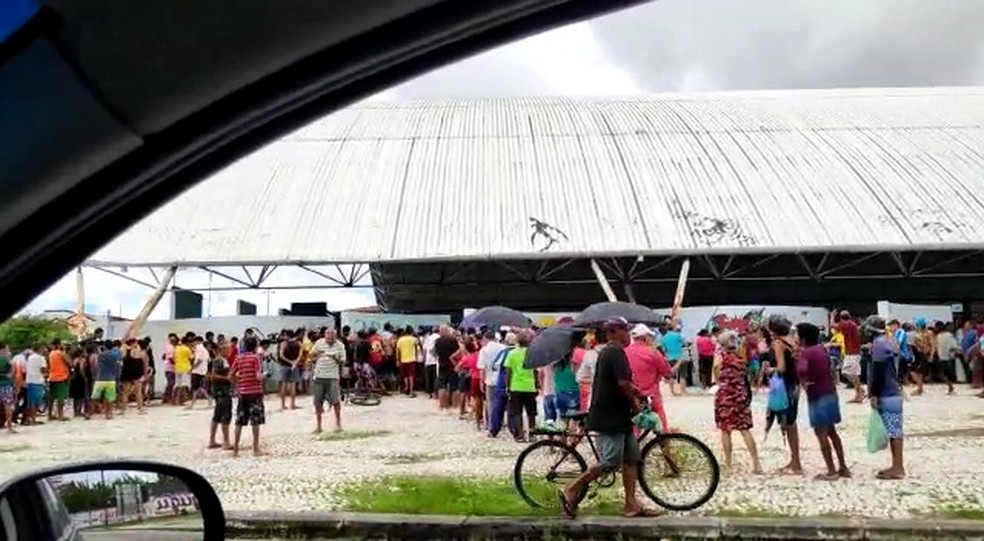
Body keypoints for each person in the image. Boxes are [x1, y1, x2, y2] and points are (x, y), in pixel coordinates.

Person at [559, 317, 659, 519]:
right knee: (611, 461)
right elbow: (623, 383)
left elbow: (623, 383)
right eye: (624, 330)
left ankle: (631, 504)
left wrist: (637, 393)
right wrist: (635, 405)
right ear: (613, 332)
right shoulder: (614, 351)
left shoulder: (609, 352)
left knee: (632, 458)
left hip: (620, 415)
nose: (627, 334)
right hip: (610, 415)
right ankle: (571, 488)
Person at [796, 322, 850, 481]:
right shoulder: (822, 349)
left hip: (816, 394)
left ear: (803, 337)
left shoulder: (805, 353)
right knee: (832, 431)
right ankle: (843, 466)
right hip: (829, 391)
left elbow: (801, 370)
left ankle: (831, 470)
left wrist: (803, 381)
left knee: (821, 433)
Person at [713, 330, 761, 475]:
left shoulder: (720, 358)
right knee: (745, 429)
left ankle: (728, 465)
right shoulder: (741, 359)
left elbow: (716, 377)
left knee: (726, 430)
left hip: (725, 397)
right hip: (740, 396)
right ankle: (756, 463)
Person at [865, 315, 905, 479]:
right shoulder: (891, 341)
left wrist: (874, 393)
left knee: (894, 432)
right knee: (895, 430)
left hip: (886, 393)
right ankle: (897, 465)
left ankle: (898, 468)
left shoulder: (878, 344)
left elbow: (878, 372)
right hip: (894, 390)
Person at [768, 315, 803, 476]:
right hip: (795, 383)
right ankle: (795, 460)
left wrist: (770, 370)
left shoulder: (778, 343)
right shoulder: (792, 340)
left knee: (788, 423)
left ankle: (796, 463)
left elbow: (781, 367)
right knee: (792, 423)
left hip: (786, 385)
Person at [624, 324, 674, 432]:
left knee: (634, 429)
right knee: (661, 425)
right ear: (646, 337)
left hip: (631, 396)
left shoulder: (624, 352)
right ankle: (665, 445)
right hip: (651, 395)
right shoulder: (653, 352)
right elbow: (668, 373)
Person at [231, 336, 266, 457]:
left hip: (243, 392)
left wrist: (237, 384)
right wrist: (264, 375)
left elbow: (232, 373)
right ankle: (255, 449)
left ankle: (235, 449)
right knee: (255, 421)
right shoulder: (256, 358)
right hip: (255, 392)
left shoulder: (239, 358)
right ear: (255, 346)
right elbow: (258, 376)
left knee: (239, 421)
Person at [503, 330, 537, 442]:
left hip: (516, 385)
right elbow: (535, 371)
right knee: (531, 412)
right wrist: (537, 384)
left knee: (517, 412)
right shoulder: (532, 353)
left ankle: (519, 435)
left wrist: (507, 385)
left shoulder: (512, 353)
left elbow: (508, 371)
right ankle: (532, 433)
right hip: (530, 385)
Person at [311, 328, 346, 433]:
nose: (329, 340)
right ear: (325, 336)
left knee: (336, 401)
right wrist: (316, 353)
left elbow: (343, 362)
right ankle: (319, 426)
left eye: (331, 338)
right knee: (317, 402)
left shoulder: (340, 345)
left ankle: (338, 424)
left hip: (333, 377)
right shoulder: (319, 343)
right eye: (327, 338)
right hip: (319, 376)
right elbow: (310, 356)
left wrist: (335, 358)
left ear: (335, 337)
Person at [834, 311, 865, 403]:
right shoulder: (852, 324)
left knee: (846, 372)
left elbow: (835, 327)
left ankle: (859, 390)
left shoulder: (846, 324)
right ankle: (859, 392)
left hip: (852, 352)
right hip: (853, 352)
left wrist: (832, 317)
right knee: (852, 373)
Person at [208, 343, 234, 450]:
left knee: (217, 415)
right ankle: (226, 442)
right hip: (221, 390)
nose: (230, 351)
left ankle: (212, 440)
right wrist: (227, 379)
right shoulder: (219, 360)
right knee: (225, 415)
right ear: (222, 350)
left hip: (220, 390)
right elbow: (213, 376)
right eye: (228, 349)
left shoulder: (222, 360)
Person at [433, 326, 462, 410]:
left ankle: (443, 405)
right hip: (452, 364)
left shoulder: (437, 341)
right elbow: (458, 352)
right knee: (454, 386)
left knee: (442, 386)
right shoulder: (452, 340)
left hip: (442, 363)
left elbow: (435, 352)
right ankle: (454, 404)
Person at [91, 341, 121, 420]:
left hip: (100, 378)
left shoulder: (100, 355)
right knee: (110, 398)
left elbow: (97, 366)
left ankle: (91, 411)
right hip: (111, 379)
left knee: (94, 396)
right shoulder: (115, 356)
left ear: (104, 346)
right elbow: (118, 366)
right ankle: (109, 413)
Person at [119, 338, 147, 414]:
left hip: (127, 372)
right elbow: (144, 363)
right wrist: (145, 374)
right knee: (138, 392)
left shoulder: (125, 351)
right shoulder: (140, 352)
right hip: (137, 373)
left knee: (126, 392)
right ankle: (140, 408)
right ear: (133, 343)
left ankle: (123, 409)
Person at [22, 344, 47, 426]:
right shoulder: (41, 358)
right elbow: (43, 369)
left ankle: (27, 419)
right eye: (43, 349)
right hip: (38, 381)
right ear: (39, 349)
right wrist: (46, 372)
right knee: (36, 402)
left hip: (29, 381)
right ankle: (33, 420)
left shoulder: (29, 357)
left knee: (30, 402)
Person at [46, 339, 71, 421]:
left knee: (52, 397)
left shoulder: (51, 354)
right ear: (58, 345)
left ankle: (49, 415)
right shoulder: (61, 353)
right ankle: (61, 415)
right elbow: (70, 363)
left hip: (52, 376)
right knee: (61, 398)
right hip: (61, 377)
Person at [277, 333, 301, 410]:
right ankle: (292, 404)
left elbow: (281, 355)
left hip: (284, 365)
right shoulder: (298, 344)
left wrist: (290, 362)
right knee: (293, 386)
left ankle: (283, 405)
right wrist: (294, 363)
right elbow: (300, 355)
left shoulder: (283, 344)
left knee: (283, 385)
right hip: (294, 366)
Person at [187, 335, 211, 409]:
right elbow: (209, 360)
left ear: (197, 341)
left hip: (197, 371)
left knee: (196, 387)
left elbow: (199, 360)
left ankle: (192, 404)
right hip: (203, 370)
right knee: (198, 387)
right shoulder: (205, 349)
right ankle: (208, 399)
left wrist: (192, 368)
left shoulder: (199, 349)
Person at [396, 327, 419, 396]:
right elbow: (417, 348)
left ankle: (406, 388)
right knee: (411, 376)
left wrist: (397, 360)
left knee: (405, 375)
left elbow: (398, 351)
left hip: (403, 360)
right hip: (411, 360)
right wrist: (416, 356)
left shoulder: (400, 339)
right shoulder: (413, 339)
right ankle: (411, 391)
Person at [172, 337, 193, 405]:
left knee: (178, 385)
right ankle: (180, 400)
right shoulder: (187, 349)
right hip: (185, 368)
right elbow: (192, 358)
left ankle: (176, 400)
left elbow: (173, 358)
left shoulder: (177, 348)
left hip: (177, 368)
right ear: (187, 343)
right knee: (184, 385)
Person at [0, 343, 14, 433]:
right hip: (5, 385)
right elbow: (11, 373)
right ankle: (9, 427)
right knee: (7, 405)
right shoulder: (6, 359)